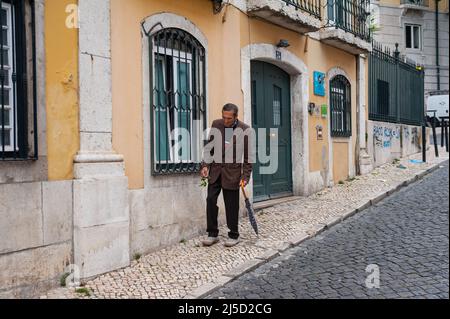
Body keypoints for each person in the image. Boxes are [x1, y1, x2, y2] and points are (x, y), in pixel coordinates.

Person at [200, 103, 253, 247]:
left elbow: (248, 158)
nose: (225, 120)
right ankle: (212, 234)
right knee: (210, 200)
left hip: (233, 174)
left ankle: (233, 235)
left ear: (236, 117)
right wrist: (205, 165)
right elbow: (209, 148)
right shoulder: (216, 124)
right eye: (224, 117)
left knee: (231, 205)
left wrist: (245, 177)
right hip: (215, 171)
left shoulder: (245, 130)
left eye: (229, 118)